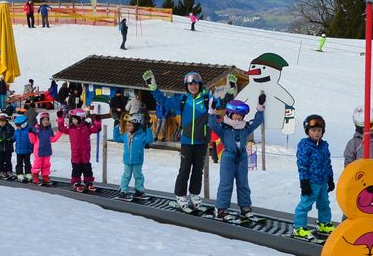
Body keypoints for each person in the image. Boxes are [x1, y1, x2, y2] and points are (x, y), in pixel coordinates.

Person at [160, 71, 211, 211]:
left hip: (202, 141)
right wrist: (153, 88)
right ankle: (180, 196)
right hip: (187, 142)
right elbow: (164, 101)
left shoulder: (207, 99)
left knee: (198, 171)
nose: (193, 86)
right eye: (190, 84)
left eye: (195, 84)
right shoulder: (182, 100)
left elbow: (222, 103)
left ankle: (194, 195)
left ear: (199, 85)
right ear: (186, 86)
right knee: (184, 170)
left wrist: (230, 90)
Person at [208, 95, 265, 220]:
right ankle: (221, 208)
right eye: (236, 114)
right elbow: (212, 125)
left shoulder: (245, 127)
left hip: (242, 157)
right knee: (226, 183)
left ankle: (245, 207)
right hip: (228, 157)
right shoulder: (224, 128)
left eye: (241, 115)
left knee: (243, 183)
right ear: (229, 113)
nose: (238, 117)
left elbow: (256, 122)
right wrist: (212, 112)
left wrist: (260, 109)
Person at [292, 114, 334, 239]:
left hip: (322, 182)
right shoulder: (305, 146)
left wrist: (330, 178)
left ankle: (324, 223)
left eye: (319, 130)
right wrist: (304, 182)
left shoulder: (324, 145)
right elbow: (302, 164)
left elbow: (328, 163)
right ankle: (299, 227)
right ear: (307, 131)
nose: (317, 133)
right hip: (311, 182)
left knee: (324, 204)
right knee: (305, 204)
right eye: (313, 130)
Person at [60, 108, 103, 192]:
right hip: (76, 152)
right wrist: (61, 119)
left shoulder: (87, 127)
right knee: (76, 168)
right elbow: (62, 128)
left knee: (87, 168)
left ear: (81, 118)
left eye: (75, 119)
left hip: (85, 152)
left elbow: (96, 129)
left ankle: (88, 182)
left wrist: (97, 122)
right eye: (72, 119)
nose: (73, 120)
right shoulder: (71, 128)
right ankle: (76, 182)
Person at [113, 114, 154, 200]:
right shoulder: (125, 135)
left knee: (138, 176)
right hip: (127, 161)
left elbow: (150, 140)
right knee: (126, 176)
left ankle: (139, 191)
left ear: (136, 126)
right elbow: (116, 138)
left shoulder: (142, 135)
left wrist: (148, 129)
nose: (128, 127)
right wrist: (116, 127)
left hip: (137, 161)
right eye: (127, 125)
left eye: (130, 125)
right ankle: (123, 191)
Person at [343, 106, 373, 172]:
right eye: (371, 125)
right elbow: (348, 165)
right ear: (361, 126)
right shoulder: (354, 144)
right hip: (361, 179)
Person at [29, 112, 62, 186]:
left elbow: (53, 139)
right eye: (44, 120)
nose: (46, 121)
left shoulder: (49, 130)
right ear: (39, 121)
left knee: (46, 165)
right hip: (39, 151)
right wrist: (30, 133)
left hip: (47, 151)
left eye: (47, 120)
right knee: (37, 165)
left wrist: (59, 132)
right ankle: (35, 176)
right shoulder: (36, 130)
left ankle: (45, 177)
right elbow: (32, 141)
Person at [0, 113, 15, 180]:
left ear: (6, 121)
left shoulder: (10, 128)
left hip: (8, 147)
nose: (2, 123)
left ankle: (8, 171)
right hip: (0, 148)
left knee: (8, 160)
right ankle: (0, 171)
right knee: (0, 160)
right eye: (0, 122)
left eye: (3, 121)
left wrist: (11, 140)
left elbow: (14, 135)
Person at [13, 113, 34, 182]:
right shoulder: (17, 131)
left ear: (24, 124)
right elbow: (14, 138)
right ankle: (19, 174)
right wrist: (10, 140)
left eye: (18, 125)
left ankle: (28, 173)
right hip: (19, 151)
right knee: (19, 163)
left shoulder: (29, 131)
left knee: (27, 163)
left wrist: (32, 147)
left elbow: (32, 140)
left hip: (27, 150)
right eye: (16, 125)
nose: (17, 127)